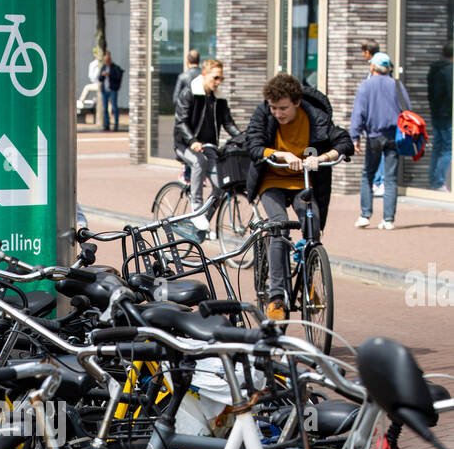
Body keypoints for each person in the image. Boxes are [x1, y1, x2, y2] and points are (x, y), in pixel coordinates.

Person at [245, 72, 354, 320]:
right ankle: (276, 299)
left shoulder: (315, 117)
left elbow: (344, 141)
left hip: (301, 182)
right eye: (274, 108)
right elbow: (252, 144)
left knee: (312, 222)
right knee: (278, 226)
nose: (278, 113)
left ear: (296, 102)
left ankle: (311, 285)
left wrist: (321, 158)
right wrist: (279, 155)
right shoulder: (264, 114)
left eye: (283, 108)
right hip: (271, 180)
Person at [173, 58, 242, 229]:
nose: (218, 82)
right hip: (185, 145)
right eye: (215, 78)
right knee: (199, 161)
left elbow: (228, 123)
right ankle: (196, 210)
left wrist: (243, 139)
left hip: (208, 146)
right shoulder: (189, 93)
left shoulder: (219, 98)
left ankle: (204, 221)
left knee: (221, 184)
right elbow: (181, 122)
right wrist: (192, 141)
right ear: (204, 75)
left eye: (221, 79)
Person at [349, 51, 408, 230]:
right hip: (393, 136)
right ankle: (388, 220)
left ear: (372, 67)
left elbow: (358, 113)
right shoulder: (397, 85)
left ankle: (365, 215)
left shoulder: (366, 86)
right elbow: (408, 109)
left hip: (374, 136)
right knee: (390, 178)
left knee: (368, 174)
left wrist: (355, 137)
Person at [427, 41, 453, 191]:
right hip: (447, 114)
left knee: (438, 147)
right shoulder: (449, 70)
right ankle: (439, 182)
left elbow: (431, 93)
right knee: (447, 148)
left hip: (436, 113)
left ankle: (434, 180)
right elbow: (451, 92)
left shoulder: (434, 69)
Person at [99, 51, 123, 131]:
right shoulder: (103, 67)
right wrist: (102, 75)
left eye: (107, 61)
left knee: (114, 107)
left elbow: (117, 78)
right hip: (104, 90)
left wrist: (109, 75)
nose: (106, 63)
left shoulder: (114, 68)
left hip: (112, 90)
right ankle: (107, 124)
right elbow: (100, 79)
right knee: (105, 108)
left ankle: (116, 124)